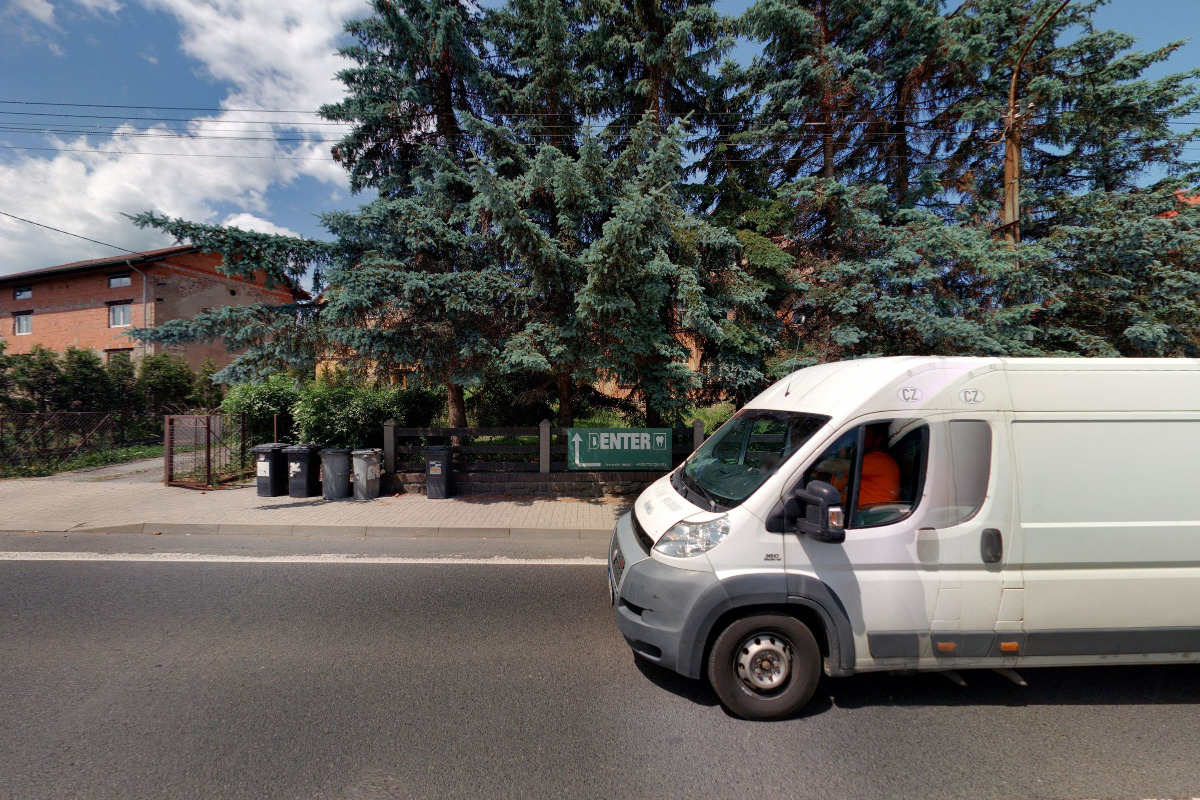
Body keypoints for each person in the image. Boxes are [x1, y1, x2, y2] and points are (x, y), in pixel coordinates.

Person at [857, 423, 901, 507]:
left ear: (878, 440)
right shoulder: (877, 460)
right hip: (869, 511)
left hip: (876, 512)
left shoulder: (878, 460)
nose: (861, 440)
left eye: (866, 436)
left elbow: (840, 466)